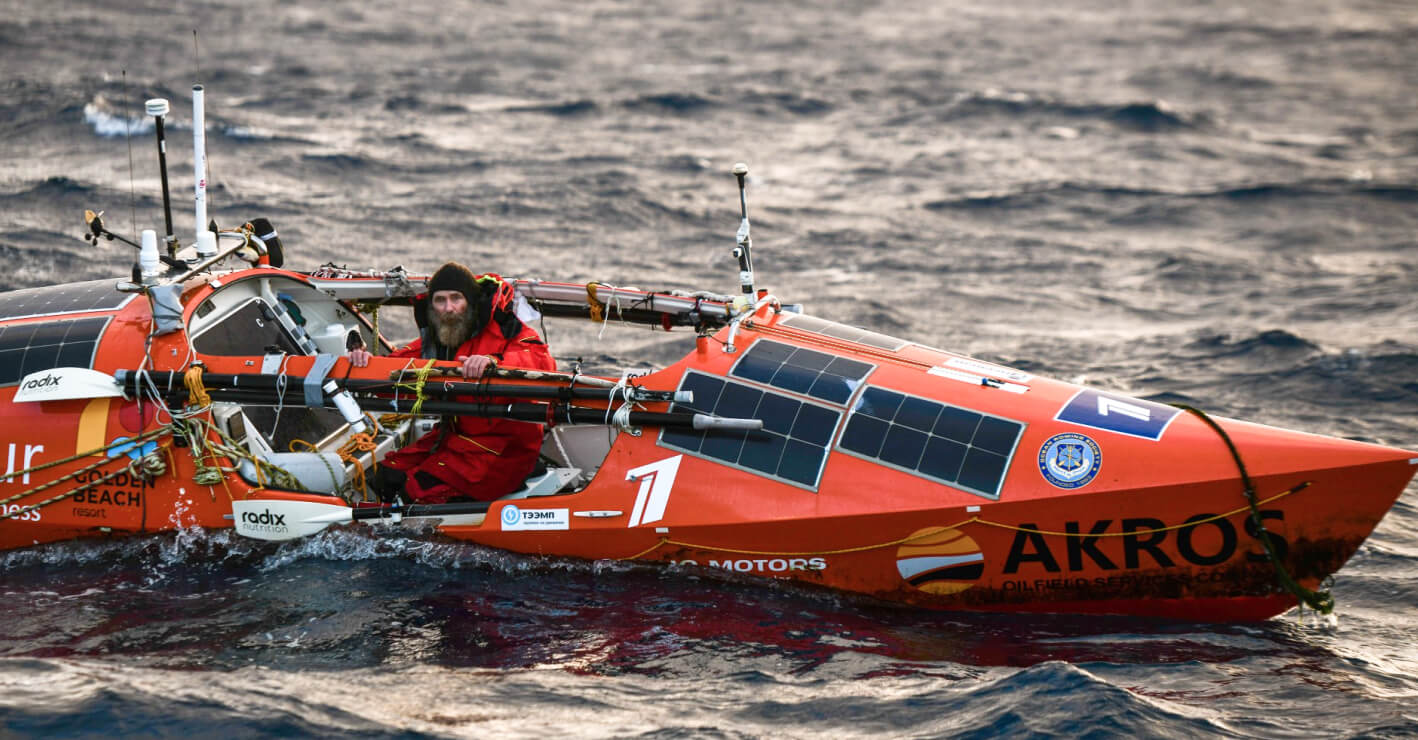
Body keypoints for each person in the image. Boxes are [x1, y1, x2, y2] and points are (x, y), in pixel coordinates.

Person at [349, 262, 555, 504]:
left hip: (503, 452)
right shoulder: (439, 338)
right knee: (387, 474)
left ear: (470, 301)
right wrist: (364, 363)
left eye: (456, 298)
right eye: (440, 300)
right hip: (454, 440)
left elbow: (542, 364)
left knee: (417, 491)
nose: (448, 308)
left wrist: (493, 362)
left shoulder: (507, 331)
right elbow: (395, 371)